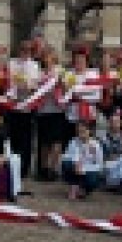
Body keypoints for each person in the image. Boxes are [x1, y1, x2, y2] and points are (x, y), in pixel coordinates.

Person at [7, 41, 40, 179]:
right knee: (13, 138)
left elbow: (36, 84)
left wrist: (28, 85)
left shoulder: (34, 65)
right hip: (13, 104)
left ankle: (24, 168)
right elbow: (7, 80)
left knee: (26, 139)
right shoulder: (12, 63)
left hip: (27, 104)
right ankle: (12, 166)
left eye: (28, 50)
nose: (25, 52)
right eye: (23, 50)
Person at [36, 47, 67, 181]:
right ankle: (43, 168)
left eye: (49, 56)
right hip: (43, 110)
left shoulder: (60, 71)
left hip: (57, 109)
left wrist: (60, 84)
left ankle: (54, 168)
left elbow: (67, 87)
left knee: (56, 142)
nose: (47, 59)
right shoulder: (40, 73)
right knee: (44, 142)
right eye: (45, 56)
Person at [101, 110, 122, 193]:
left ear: (121, 123)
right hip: (110, 168)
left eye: (116, 122)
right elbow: (101, 158)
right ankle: (121, 185)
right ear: (109, 123)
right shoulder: (103, 138)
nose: (114, 124)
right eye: (112, 122)